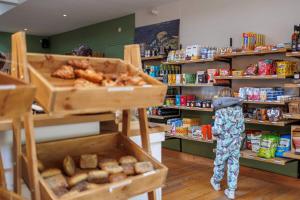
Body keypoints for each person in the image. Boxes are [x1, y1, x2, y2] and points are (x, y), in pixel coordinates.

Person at [210, 88, 245, 199]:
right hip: (236, 142)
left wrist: (212, 130)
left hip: (223, 143)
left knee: (220, 163)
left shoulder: (220, 111)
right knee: (234, 165)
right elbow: (242, 128)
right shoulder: (239, 110)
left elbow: (217, 130)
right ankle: (231, 190)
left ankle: (216, 182)